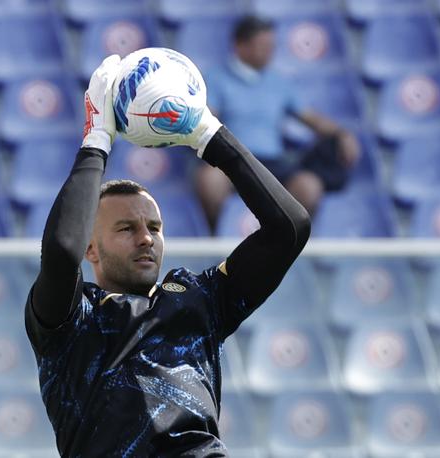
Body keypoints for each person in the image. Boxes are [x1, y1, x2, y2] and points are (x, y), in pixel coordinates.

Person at [25, 55, 310, 457]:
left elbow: (289, 228)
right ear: (92, 248)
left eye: (154, 228)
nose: (146, 239)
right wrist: (96, 141)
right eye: (126, 228)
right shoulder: (70, 322)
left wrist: (209, 134)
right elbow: (60, 251)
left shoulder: (200, 299)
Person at [196, 15, 361, 229]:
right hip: (231, 159)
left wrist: (342, 133)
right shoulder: (216, 77)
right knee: (210, 180)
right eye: (262, 45)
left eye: (271, 45)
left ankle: (287, 246)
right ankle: (215, 241)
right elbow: (206, 119)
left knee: (309, 187)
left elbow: (310, 118)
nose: (269, 51)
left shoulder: (278, 81)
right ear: (240, 46)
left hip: (274, 164)